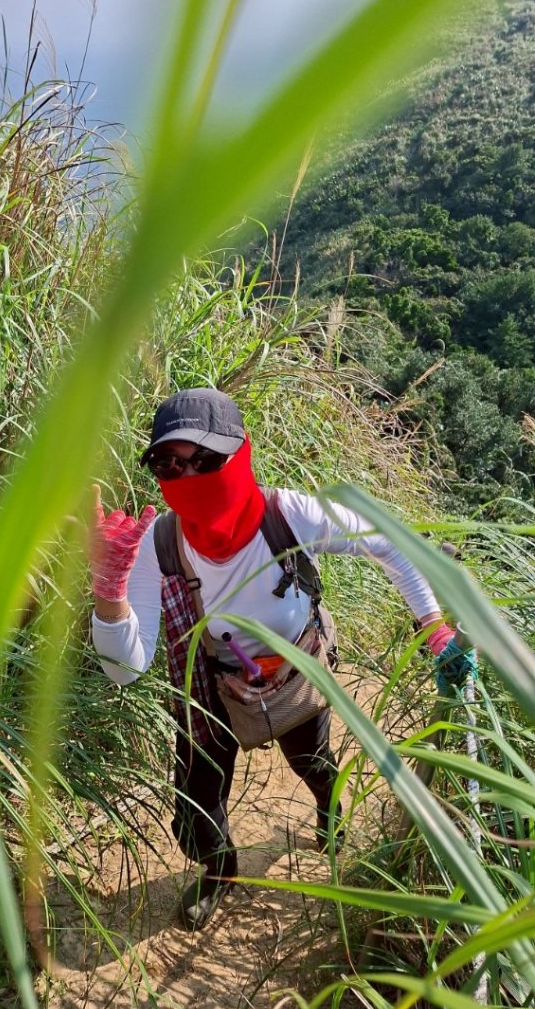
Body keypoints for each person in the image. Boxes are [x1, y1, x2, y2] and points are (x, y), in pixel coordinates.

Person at [90, 387, 476, 931]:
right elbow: (125, 669)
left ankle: (327, 808)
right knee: (199, 791)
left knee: (310, 761)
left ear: (240, 454)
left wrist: (434, 631)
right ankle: (219, 868)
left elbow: (387, 545)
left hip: (296, 668)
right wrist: (110, 589)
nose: (190, 476)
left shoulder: (289, 514)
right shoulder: (158, 542)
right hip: (209, 678)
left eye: (206, 459)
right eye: (169, 463)